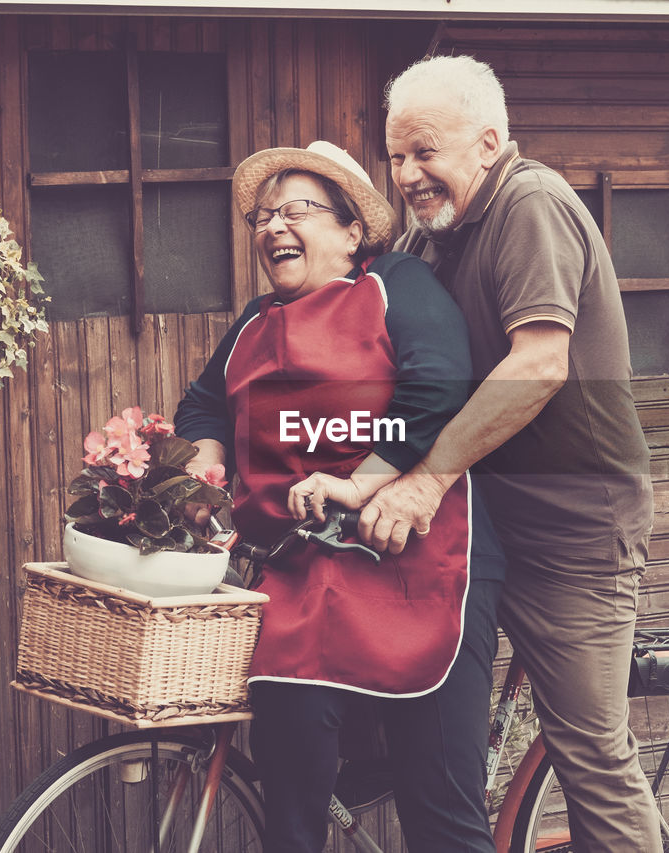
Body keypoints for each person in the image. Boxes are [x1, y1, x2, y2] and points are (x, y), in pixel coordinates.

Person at [361, 56, 660, 851]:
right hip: (489, 533)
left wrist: (424, 481)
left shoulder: (529, 204)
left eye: (425, 151)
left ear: (489, 143)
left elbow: (538, 363)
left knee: (588, 749)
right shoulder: (438, 240)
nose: (408, 174)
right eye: (396, 156)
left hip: (574, 535)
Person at [174, 141, 503, 853]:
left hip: (417, 566)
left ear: (354, 232)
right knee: (292, 817)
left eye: (297, 209)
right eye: (264, 216)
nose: (272, 226)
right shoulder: (253, 325)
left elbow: (440, 382)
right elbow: (201, 406)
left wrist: (363, 479)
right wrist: (206, 463)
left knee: (441, 816)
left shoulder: (397, 285)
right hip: (297, 577)